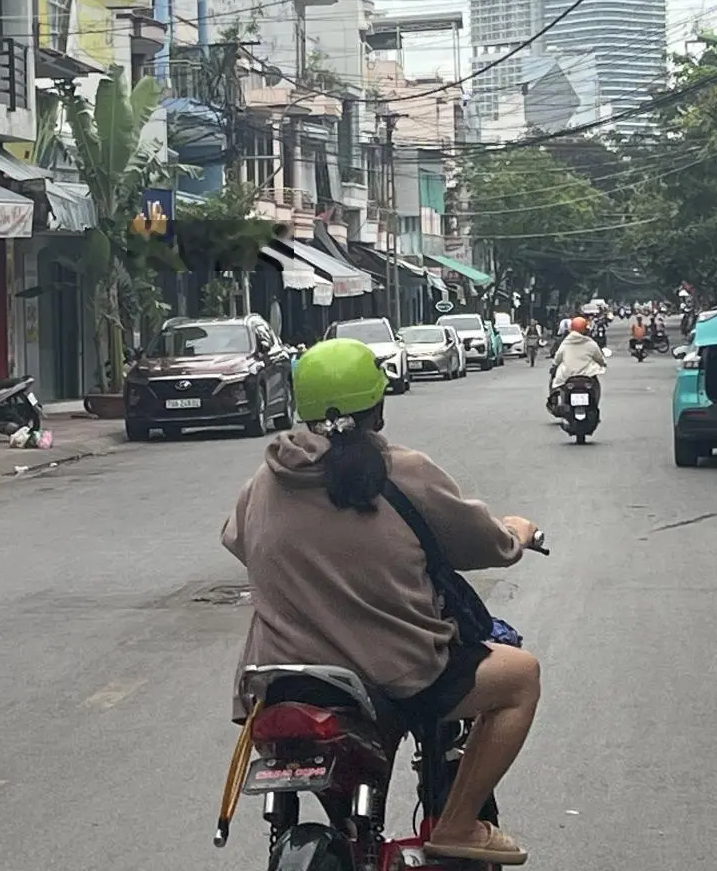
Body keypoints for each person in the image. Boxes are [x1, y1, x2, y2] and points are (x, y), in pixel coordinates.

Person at [222, 339, 541, 865]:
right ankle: (459, 824)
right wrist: (517, 534)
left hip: (280, 681)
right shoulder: (402, 472)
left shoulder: (266, 479)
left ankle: (345, 832)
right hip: (398, 672)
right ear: (379, 402)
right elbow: (485, 542)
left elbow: (237, 540)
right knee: (520, 676)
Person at [550, 316, 607, 411]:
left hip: (568, 376)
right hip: (587, 376)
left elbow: (557, 359)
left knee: (558, 385)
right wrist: (603, 364)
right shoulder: (590, 343)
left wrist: (555, 365)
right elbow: (600, 359)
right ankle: (594, 407)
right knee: (596, 385)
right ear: (585, 330)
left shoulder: (566, 343)